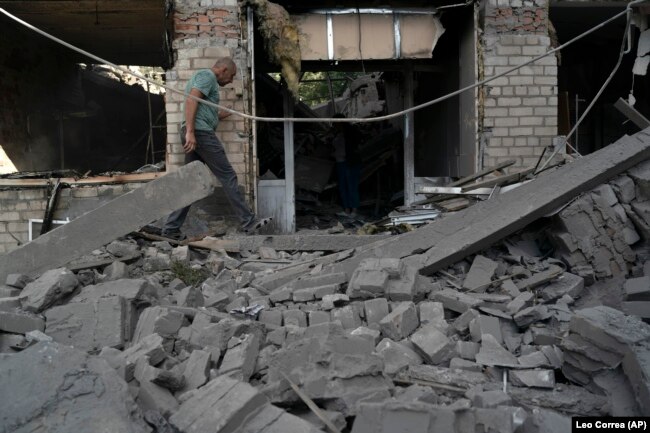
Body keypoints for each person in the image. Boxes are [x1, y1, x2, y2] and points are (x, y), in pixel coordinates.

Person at [162, 57, 270, 240]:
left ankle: (171, 229)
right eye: (232, 75)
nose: (231, 81)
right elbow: (191, 101)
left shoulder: (206, 79)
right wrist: (191, 131)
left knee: (190, 183)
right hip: (201, 134)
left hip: (197, 132)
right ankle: (248, 221)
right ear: (223, 70)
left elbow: (201, 108)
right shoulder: (207, 76)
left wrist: (220, 114)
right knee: (228, 175)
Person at [330, 113, 362, 217]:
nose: (334, 125)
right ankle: (347, 209)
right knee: (343, 187)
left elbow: (352, 148)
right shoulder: (338, 134)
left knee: (351, 186)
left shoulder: (351, 132)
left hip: (350, 162)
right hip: (340, 163)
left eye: (335, 123)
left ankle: (354, 210)